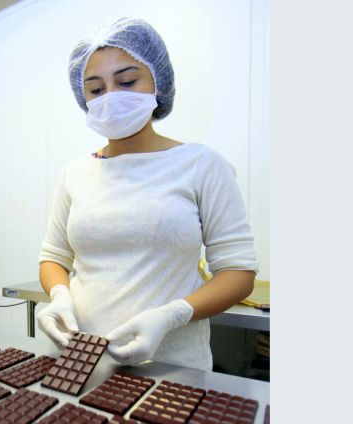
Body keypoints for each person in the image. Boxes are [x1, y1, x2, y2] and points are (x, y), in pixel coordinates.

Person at [37, 18, 259, 371]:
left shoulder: (202, 164)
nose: (111, 97)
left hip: (171, 366)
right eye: (95, 89)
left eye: (126, 81)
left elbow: (238, 271)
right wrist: (59, 294)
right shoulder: (75, 173)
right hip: (78, 360)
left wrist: (172, 315)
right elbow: (53, 256)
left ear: (159, 81)